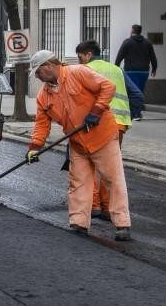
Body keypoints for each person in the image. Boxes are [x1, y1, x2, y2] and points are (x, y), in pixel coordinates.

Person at [27, 49, 133, 241]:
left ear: (48, 66)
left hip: (103, 137)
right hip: (77, 143)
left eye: (38, 72)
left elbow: (107, 87)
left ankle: (122, 224)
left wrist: (97, 111)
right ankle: (79, 222)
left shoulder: (78, 73)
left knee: (113, 181)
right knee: (79, 183)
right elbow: (42, 124)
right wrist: (35, 147)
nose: (37, 76)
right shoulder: (44, 96)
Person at [75, 40, 144, 221]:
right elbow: (137, 95)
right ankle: (107, 208)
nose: (79, 61)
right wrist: (132, 114)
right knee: (110, 167)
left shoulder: (85, 70)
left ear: (88, 54)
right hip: (119, 124)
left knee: (88, 164)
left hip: (94, 123)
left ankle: (94, 205)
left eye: (80, 57)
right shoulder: (117, 70)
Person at [114, 24, 158, 108]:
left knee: (131, 90)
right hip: (144, 71)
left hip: (130, 70)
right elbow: (153, 56)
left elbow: (120, 55)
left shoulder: (127, 42)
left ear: (132, 30)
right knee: (140, 88)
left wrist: (116, 67)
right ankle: (140, 105)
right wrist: (154, 69)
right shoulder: (147, 43)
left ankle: (135, 108)